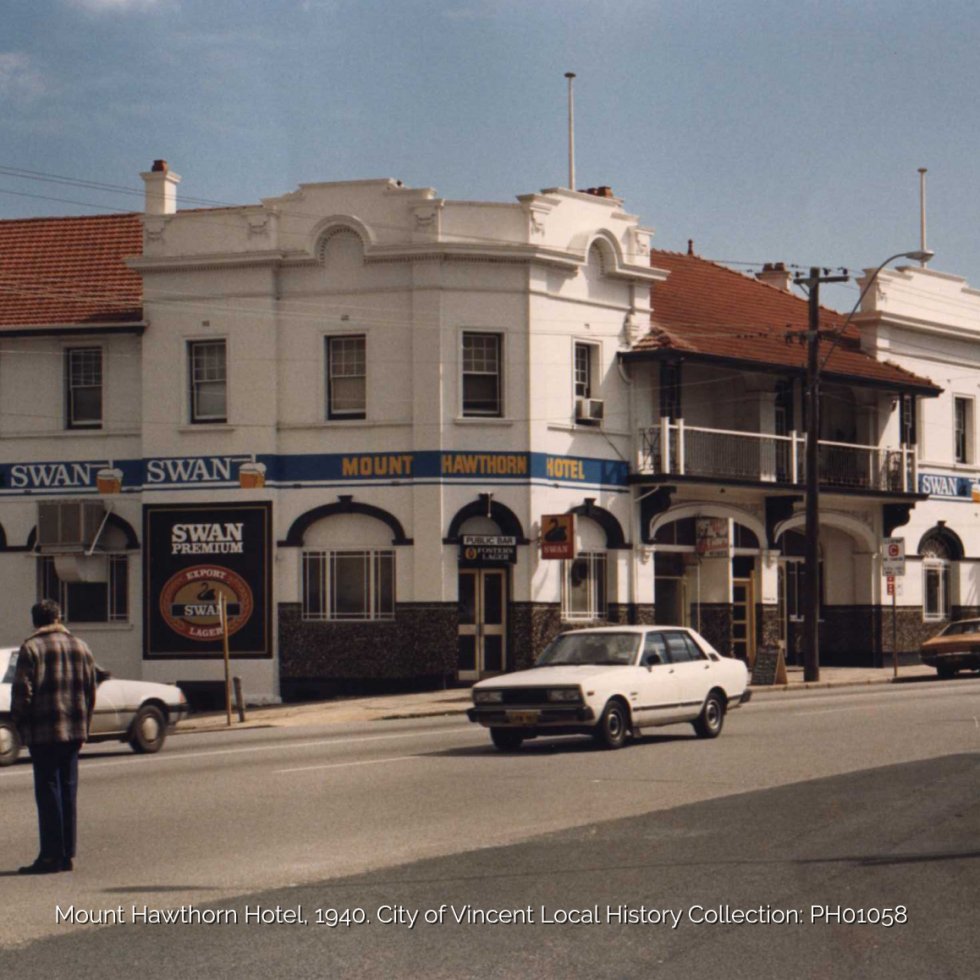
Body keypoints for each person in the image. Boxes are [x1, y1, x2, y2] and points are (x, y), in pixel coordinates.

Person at [11, 599, 96, 875]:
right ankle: (67, 854)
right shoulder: (81, 647)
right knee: (68, 790)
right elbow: (90, 691)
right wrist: (85, 726)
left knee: (47, 791)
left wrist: (18, 722)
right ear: (59, 617)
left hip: (43, 730)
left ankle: (50, 855)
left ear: (36, 621)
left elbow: (22, 691)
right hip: (72, 729)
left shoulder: (31, 648)